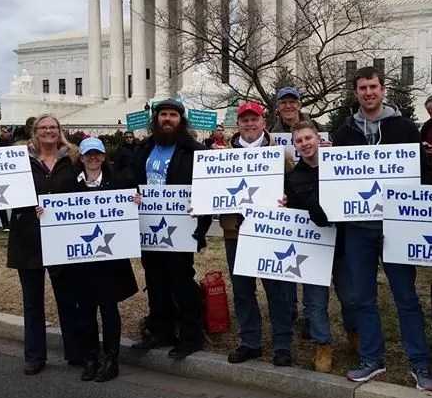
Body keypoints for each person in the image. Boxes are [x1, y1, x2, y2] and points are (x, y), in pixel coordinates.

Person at [332, 65, 432, 390]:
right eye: (362, 88)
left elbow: (420, 175)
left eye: (373, 87)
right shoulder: (344, 132)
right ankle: (371, 359)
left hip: (396, 228)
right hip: (358, 229)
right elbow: (338, 181)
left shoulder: (404, 128)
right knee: (363, 297)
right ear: (356, 92)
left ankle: (419, 363)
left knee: (406, 297)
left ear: (383, 88)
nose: (368, 93)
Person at [53, 137, 140, 382]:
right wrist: (44, 212)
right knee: (86, 311)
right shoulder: (68, 185)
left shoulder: (119, 184)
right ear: (80, 158)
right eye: (88, 154)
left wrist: (136, 203)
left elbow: (130, 214)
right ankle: (91, 358)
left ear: (104, 157)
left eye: (97, 154)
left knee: (109, 309)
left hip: (110, 260)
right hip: (81, 261)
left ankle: (111, 359)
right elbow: (58, 216)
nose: (93, 158)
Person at [130, 99, 212, 359]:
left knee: (181, 281)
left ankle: (190, 335)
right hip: (149, 228)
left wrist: (201, 219)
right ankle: (159, 329)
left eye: (173, 115)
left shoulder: (194, 151)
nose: (167, 119)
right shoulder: (143, 149)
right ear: (156, 119)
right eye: (163, 114)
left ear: (181, 120)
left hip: (180, 229)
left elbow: (208, 190)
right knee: (155, 281)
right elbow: (129, 180)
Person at [221, 101, 296, 367]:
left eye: (255, 120)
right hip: (235, 231)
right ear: (238, 124)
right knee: (242, 289)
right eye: (245, 120)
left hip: (269, 230)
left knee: (277, 290)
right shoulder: (224, 154)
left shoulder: (280, 153)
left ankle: (282, 344)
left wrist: (289, 199)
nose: (250, 124)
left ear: (264, 122)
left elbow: (293, 186)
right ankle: (250, 341)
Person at [7, 114, 83, 375]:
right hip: (27, 236)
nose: (48, 131)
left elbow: (96, 184)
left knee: (69, 298)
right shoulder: (19, 160)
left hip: (62, 238)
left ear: (59, 131)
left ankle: (76, 351)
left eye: (53, 127)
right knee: (32, 301)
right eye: (43, 128)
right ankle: (35, 355)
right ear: (35, 132)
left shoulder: (72, 159)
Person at [283, 120, 357, 373]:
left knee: (350, 297)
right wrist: (283, 205)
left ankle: (355, 336)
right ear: (294, 145)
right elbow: (291, 213)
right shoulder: (293, 179)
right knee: (315, 303)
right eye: (299, 141)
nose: (304, 144)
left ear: (318, 138)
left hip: (343, 244)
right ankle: (322, 346)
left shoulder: (340, 167)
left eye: (308, 138)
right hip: (313, 248)